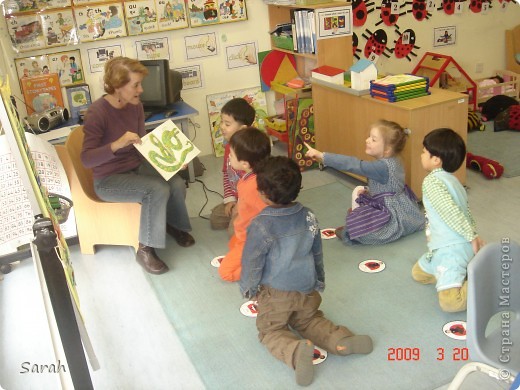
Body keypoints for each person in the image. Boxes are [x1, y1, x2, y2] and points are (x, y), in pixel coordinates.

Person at [239, 156, 373, 386]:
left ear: (262, 192)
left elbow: (252, 260)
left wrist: (248, 288)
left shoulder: (261, 224)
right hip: (306, 288)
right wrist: (318, 280)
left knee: (270, 331)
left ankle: (295, 350)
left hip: (276, 295)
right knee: (309, 320)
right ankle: (341, 339)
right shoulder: (309, 215)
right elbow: (316, 251)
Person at [81, 56, 194, 275]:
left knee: (176, 182)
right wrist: (116, 144)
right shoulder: (97, 112)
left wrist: (174, 160)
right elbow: (86, 159)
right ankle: (145, 249)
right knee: (156, 189)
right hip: (108, 179)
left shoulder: (136, 107)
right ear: (117, 86)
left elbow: (144, 144)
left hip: (134, 165)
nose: (141, 90)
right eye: (135, 85)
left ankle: (172, 224)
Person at [305, 119, 424, 245]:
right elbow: (388, 186)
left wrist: (323, 156)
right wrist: (369, 190)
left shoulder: (382, 166)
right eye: (369, 137)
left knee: (360, 233)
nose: (367, 140)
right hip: (400, 204)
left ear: (387, 149)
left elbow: (353, 165)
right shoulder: (395, 159)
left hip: (389, 209)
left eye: (373, 139)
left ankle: (359, 230)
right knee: (361, 205)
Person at [412, 128, 484, 312]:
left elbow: (452, 212)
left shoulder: (432, 182)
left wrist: (470, 235)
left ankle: (482, 279)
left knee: (451, 303)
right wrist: (473, 236)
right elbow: (465, 211)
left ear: (436, 160)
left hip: (451, 249)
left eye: (423, 152)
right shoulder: (453, 180)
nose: (421, 155)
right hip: (443, 246)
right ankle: (461, 271)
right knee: (418, 273)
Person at [218, 127, 270, 282]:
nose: (229, 158)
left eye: (231, 155)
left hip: (253, 238)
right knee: (232, 244)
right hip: (243, 233)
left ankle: (264, 266)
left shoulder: (254, 186)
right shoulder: (249, 176)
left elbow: (269, 215)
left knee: (225, 273)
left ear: (245, 163)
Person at [210, 97, 256, 235]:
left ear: (242, 129)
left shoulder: (252, 152)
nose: (222, 127)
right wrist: (230, 199)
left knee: (234, 233)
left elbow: (256, 189)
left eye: (227, 124)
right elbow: (227, 174)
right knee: (216, 219)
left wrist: (241, 206)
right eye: (222, 122)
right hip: (237, 198)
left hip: (252, 202)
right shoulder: (228, 146)